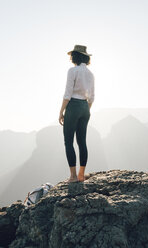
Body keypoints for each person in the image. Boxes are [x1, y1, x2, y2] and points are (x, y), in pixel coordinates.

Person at [58, 45, 95, 183]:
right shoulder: (91, 74)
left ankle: (73, 176)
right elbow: (92, 97)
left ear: (75, 56)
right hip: (85, 107)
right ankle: (81, 175)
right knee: (82, 142)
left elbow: (68, 94)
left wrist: (61, 111)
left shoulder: (73, 71)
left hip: (73, 105)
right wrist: (85, 108)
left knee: (68, 141)